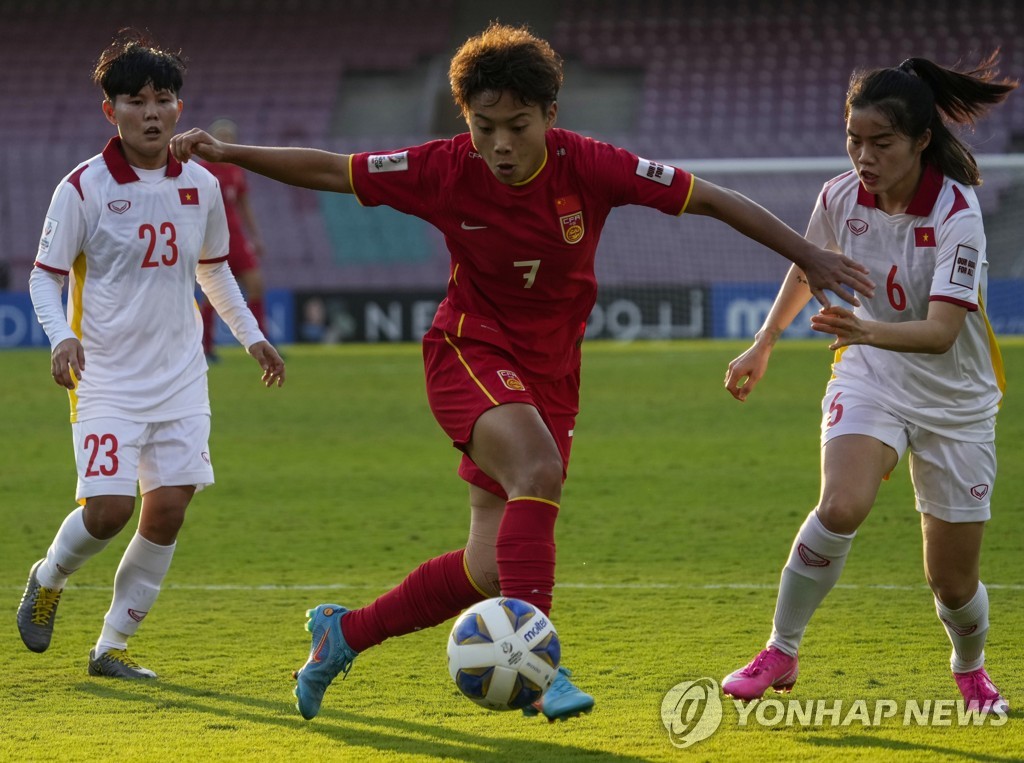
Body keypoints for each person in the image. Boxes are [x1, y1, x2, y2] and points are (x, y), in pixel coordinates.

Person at [171, 22, 873, 721]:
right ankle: (544, 671)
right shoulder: (444, 168)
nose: (501, 145)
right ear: (465, 121)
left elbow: (713, 198)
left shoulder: (591, 165)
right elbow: (333, 168)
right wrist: (228, 151)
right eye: (485, 127)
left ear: (550, 117)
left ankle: (343, 633)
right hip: (468, 348)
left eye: (518, 126)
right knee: (538, 470)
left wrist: (807, 256)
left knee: (487, 567)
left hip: (551, 373)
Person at [720, 53, 1015, 714]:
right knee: (842, 504)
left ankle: (970, 668)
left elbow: (941, 332)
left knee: (952, 579)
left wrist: (863, 329)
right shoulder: (839, 196)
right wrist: (764, 342)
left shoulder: (957, 214)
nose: (864, 156)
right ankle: (781, 649)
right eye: (854, 140)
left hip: (957, 401)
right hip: (872, 372)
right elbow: (808, 266)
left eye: (880, 143)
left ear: (920, 142)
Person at [17, 30, 286, 680]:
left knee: (168, 510)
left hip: (181, 378)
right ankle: (49, 576)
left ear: (178, 107)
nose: (152, 112)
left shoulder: (202, 184)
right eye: (136, 100)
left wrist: (251, 335)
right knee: (109, 510)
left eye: (163, 98)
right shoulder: (81, 188)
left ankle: (111, 647)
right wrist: (61, 337)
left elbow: (215, 271)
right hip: (105, 376)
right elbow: (42, 276)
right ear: (110, 110)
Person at [198, 117, 269, 361]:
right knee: (212, 295)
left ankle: (263, 343)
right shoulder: (203, 171)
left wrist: (256, 236)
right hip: (214, 238)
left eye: (231, 138)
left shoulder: (236, 171)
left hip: (237, 238)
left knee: (257, 286)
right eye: (223, 138)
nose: (227, 142)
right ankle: (206, 347)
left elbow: (244, 205)